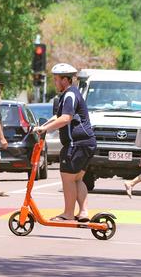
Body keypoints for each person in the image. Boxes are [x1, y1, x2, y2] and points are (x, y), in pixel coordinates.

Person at [34, 63, 96, 222]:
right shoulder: (70, 94)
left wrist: (44, 129)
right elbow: (58, 116)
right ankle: (83, 212)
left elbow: (65, 118)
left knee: (67, 178)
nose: (55, 82)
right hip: (87, 143)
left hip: (76, 144)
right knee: (77, 179)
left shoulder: (69, 95)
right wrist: (43, 127)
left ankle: (68, 213)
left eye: (56, 79)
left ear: (65, 80)